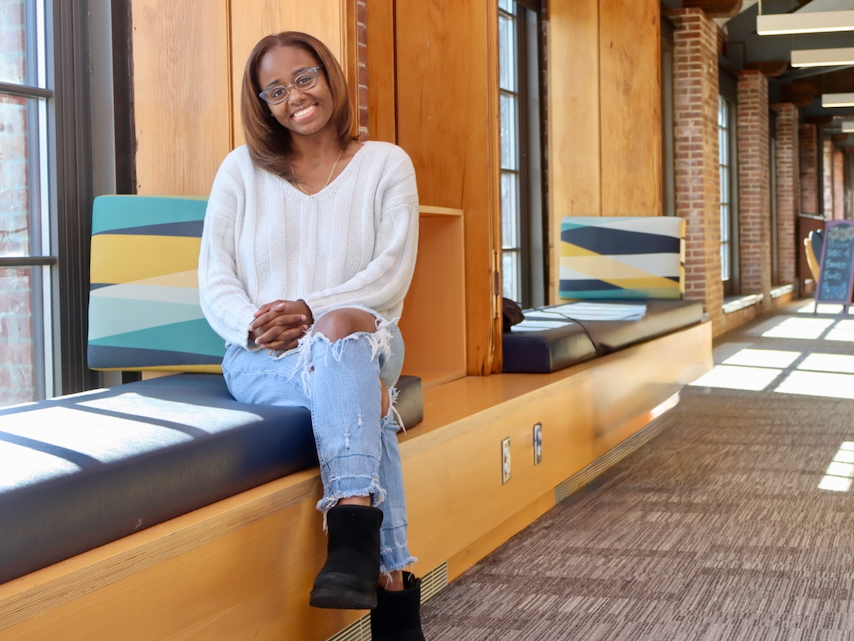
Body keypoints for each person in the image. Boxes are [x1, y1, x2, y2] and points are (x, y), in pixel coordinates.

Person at [198, 31, 425, 641]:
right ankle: (382, 572)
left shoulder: (386, 164)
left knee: (341, 335)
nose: (293, 97)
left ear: (329, 74)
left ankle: (354, 541)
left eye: (304, 77)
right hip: (261, 355)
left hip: (367, 335)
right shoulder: (239, 171)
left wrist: (311, 309)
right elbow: (214, 277)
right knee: (368, 401)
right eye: (274, 90)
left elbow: (389, 273)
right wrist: (255, 324)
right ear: (263, 104)